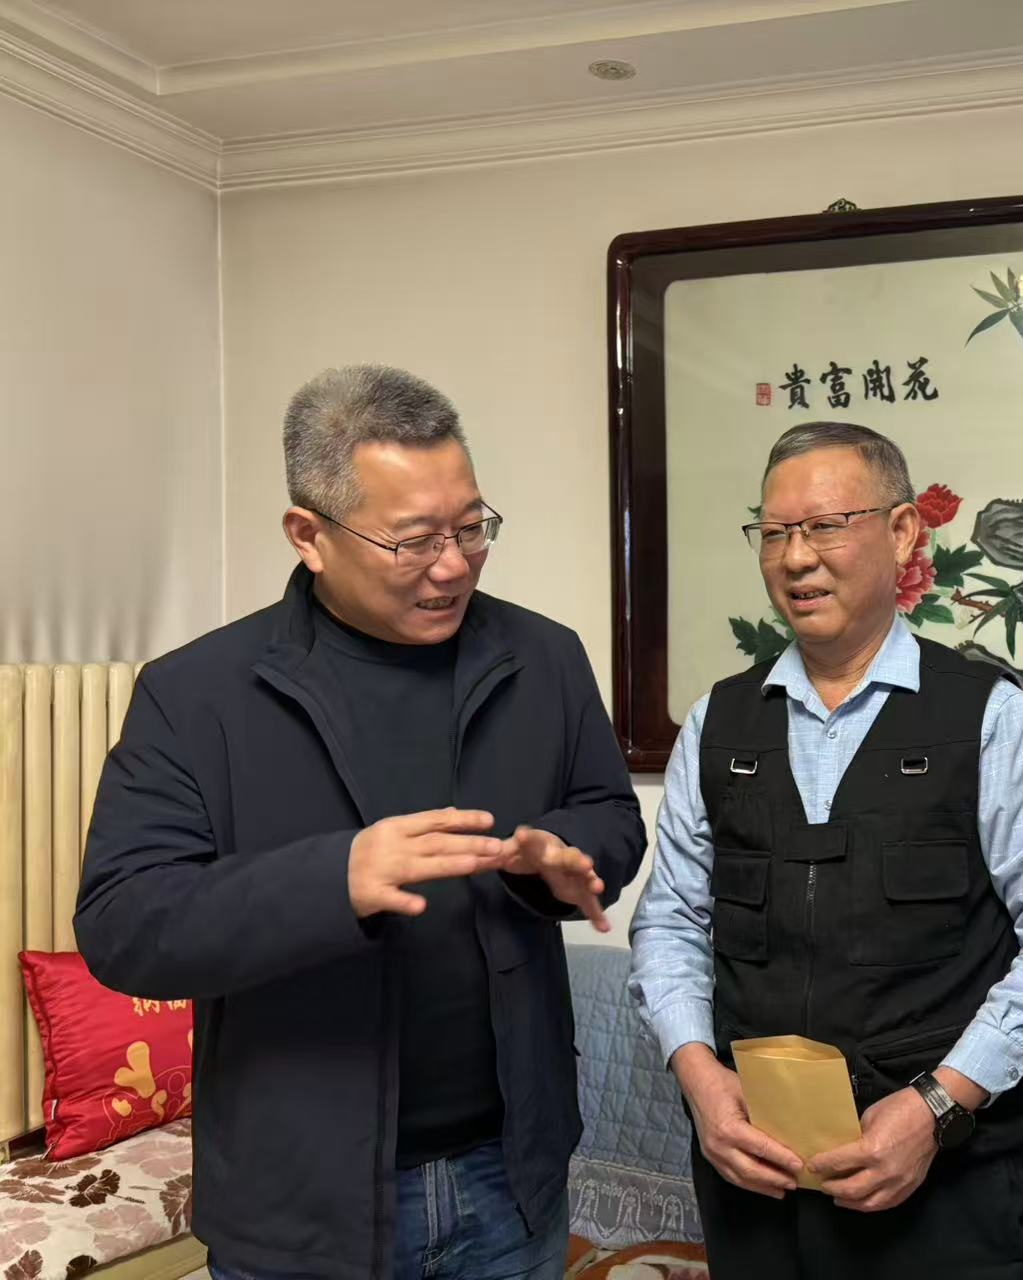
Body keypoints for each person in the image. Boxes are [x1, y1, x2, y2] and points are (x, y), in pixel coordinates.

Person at [75, 365, 647, 1280]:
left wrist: (560, 854)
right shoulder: (197, 694)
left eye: (471, 527)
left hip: (510, 1174)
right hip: (300, 1198)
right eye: (414, 540)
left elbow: (610, 817)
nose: (453, 565)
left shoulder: (542, 657)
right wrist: (332, 880)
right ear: (310, 535)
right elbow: (124, 925)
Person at [627, 421, 1023, 1279]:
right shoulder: (718, 723)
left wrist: (935, 1107)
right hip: (758, 1189)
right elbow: (668, 922)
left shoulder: (988, 718)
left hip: (948, 1194)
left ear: (900, 534)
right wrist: (701, 1083)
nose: (795, 558)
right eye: (773, 533)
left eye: (824, 527)